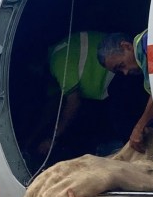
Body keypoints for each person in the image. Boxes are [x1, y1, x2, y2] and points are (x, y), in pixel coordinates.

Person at [30, 31, 115, 160]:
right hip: (106, 88)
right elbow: (52, 106)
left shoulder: (58, 61)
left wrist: (52, 139)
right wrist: (33, 137)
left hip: (116, 73)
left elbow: (73, 103)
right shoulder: (53, 74)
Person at [98, 30, 153, 153]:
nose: (125, 72)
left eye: (121, 65)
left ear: (127, 46)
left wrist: (140, 127)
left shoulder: (148, 46)